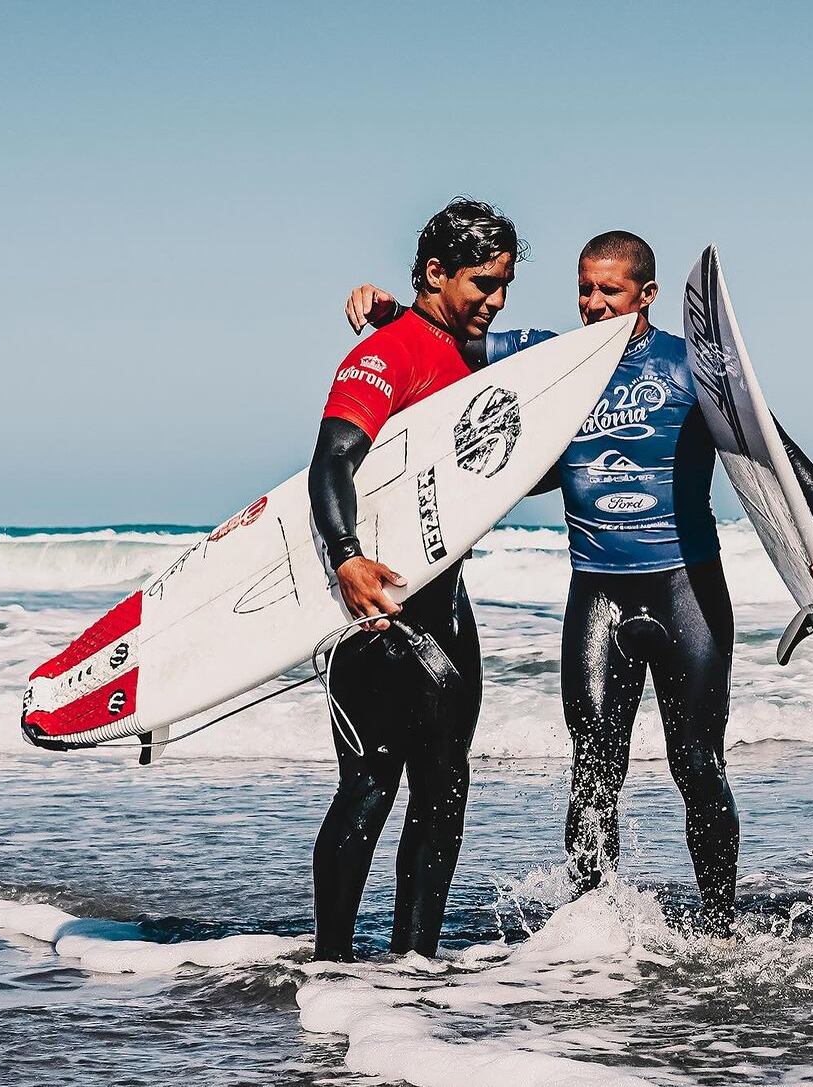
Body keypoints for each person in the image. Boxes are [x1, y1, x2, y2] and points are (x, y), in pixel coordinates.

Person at [343, 232, 813, 935]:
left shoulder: (690, 366)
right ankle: (589, 928)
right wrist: (394, 313)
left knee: (697, 766)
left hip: (684, 589)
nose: (593, 303)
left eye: (609, 290)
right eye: (584, 288)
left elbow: (769, 441)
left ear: (647, 294)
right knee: (593, 773)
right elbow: (448, 345)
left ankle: (720, 925)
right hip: (597, 592)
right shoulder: (549, 360)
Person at [308, 198, 523, 961]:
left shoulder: (469, 352)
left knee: (444, 793)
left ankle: (414, 967)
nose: (495, 300)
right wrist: (345, 555)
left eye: (502, 285)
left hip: (448, 611)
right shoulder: (387, 353)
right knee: (369, 788)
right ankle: (330, 963)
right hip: (377, 617)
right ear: (438, 273)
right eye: (482, 284)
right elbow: (332, 458)